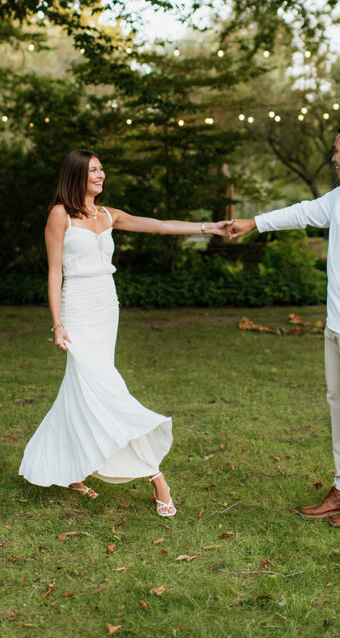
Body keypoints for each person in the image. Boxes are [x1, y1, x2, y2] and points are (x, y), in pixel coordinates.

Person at [19, 148, 230, 516]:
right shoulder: (60, 216)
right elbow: (55, 272)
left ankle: (73, 470)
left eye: (102, 170)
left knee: (81, 391)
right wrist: (57, 323)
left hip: (106, 305)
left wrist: (206, 227)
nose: (101, 176)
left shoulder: (108, 214)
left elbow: (159, 225)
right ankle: (156, 478)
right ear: (76, 176)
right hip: (78, 308)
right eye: (93, 171)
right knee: (107, 390)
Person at [226, 122, 340, 528]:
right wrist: (254, 222)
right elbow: (303, 212)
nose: (333, 158)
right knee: (339, 408)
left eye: (337, 151)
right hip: (338, 324)